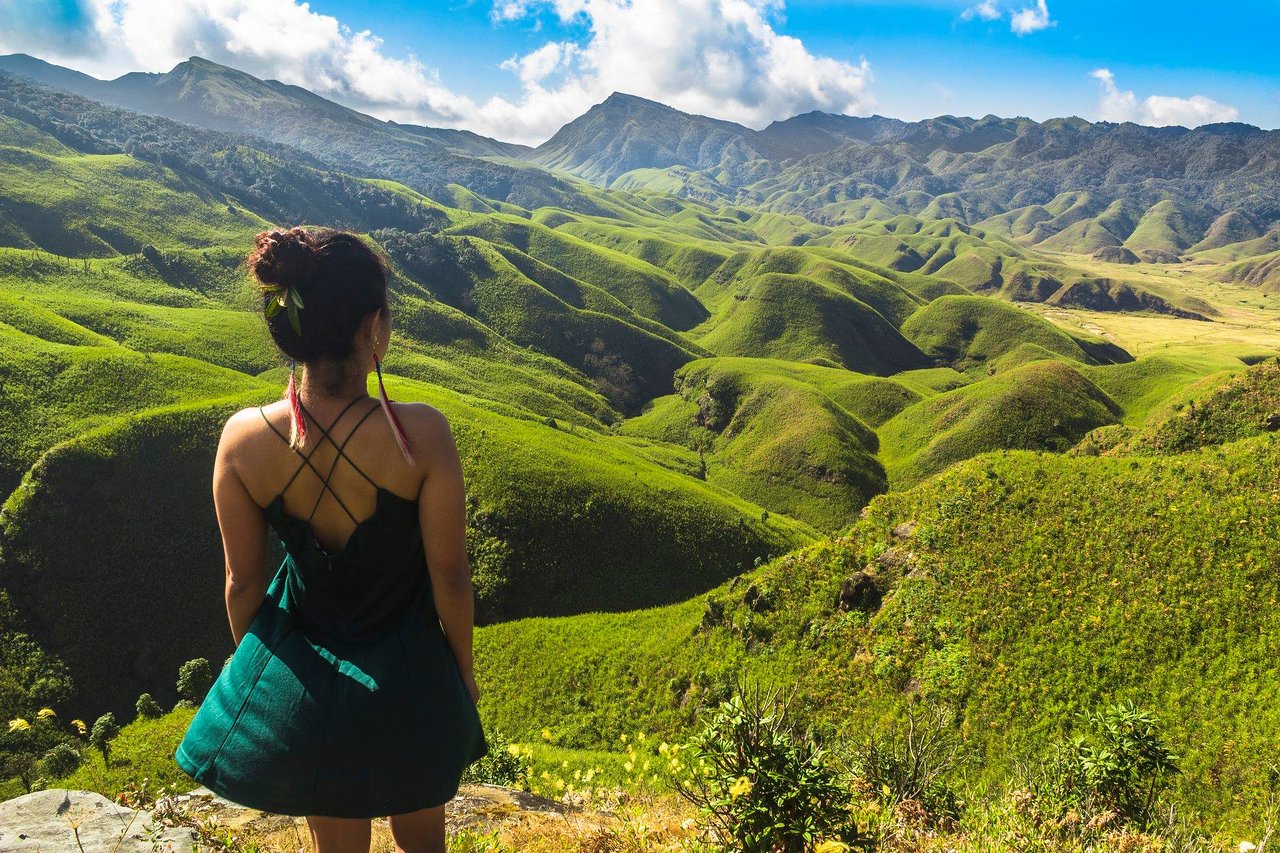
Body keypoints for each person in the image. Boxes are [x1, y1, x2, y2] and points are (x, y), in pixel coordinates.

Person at [175, 226, 488, 853]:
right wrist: (462, 673)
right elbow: (450, 577)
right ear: (373, 327)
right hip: (411, 670)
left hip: (310, 673)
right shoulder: (424, 433)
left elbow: (243, 585)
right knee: (424, 841)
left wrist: (270, 679)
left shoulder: (243, 440)